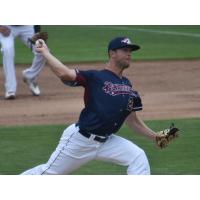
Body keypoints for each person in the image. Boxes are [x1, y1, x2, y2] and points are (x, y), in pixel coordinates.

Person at [21, 36, 160, 175]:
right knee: (47, 173)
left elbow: (132, 119)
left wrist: (155, 137)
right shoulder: (95, 77)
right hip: (81, 140)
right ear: (112, 53)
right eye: (125, 50)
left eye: (130, 50)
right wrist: (45, 52)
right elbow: (64, 73)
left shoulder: (127, 84)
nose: (129, 53)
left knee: (138, 157)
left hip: (106, 142)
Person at [0, 25, 46, 99]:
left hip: (27, 25)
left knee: (43, 50)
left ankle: (30, 76)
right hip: (6, 26)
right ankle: (10, 89)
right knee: (7, 50)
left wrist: (37, 32)